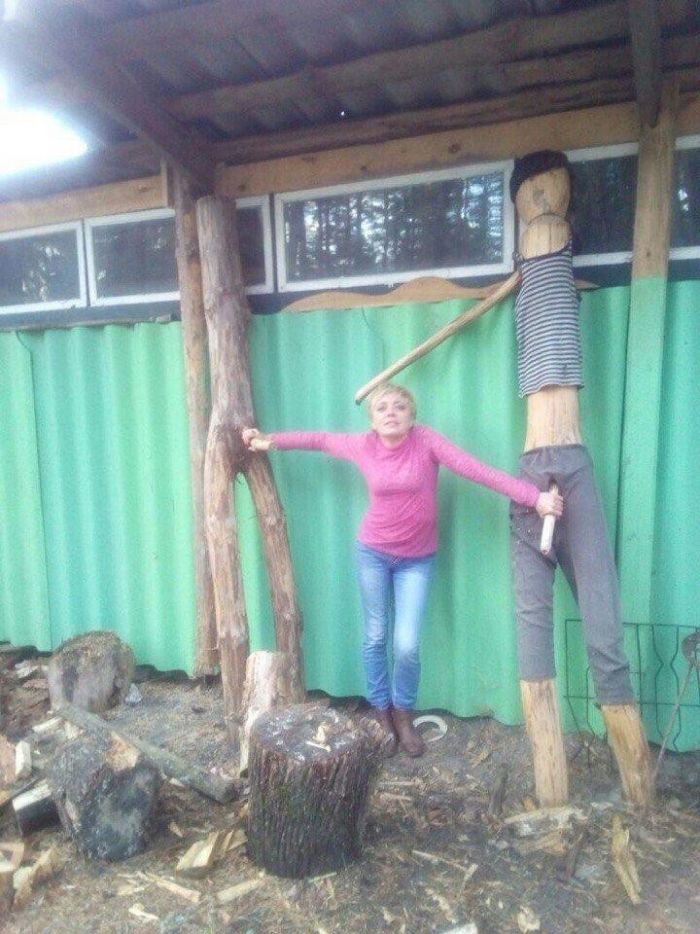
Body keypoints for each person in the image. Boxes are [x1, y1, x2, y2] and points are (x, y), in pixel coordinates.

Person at [242, 382, 563, 757]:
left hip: (417, 560)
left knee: (407, 644)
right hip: (373, 554)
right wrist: (269, 441)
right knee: (375, 636)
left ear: (412, 417)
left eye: (399, 406)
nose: (391, 412)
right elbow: (319, 440)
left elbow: (476, 470)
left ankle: (403, 715)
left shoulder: (426, 442)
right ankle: (381, 713)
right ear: (372, 420)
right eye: (382, 408)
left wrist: (535, 497)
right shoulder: (364, 446)